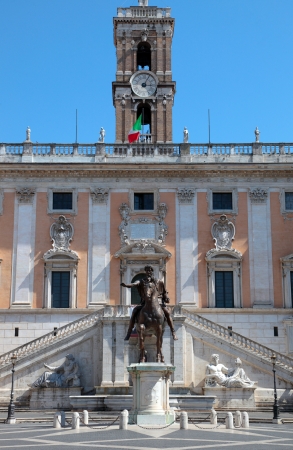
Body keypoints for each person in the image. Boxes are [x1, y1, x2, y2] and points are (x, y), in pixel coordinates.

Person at [121, 265, 178, 341]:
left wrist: (166, 297)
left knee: (167, 312)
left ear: (152, 271)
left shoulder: (159, 282)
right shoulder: (142, 281)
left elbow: (164, 292)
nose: (148, 272)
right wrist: (126, 285)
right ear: (146, 272)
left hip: (159, 302)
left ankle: (173, 331)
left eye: (150, 270)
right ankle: (129, 332)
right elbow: (134, 284)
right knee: (134, 311)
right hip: (145, 302)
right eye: (147, 270)